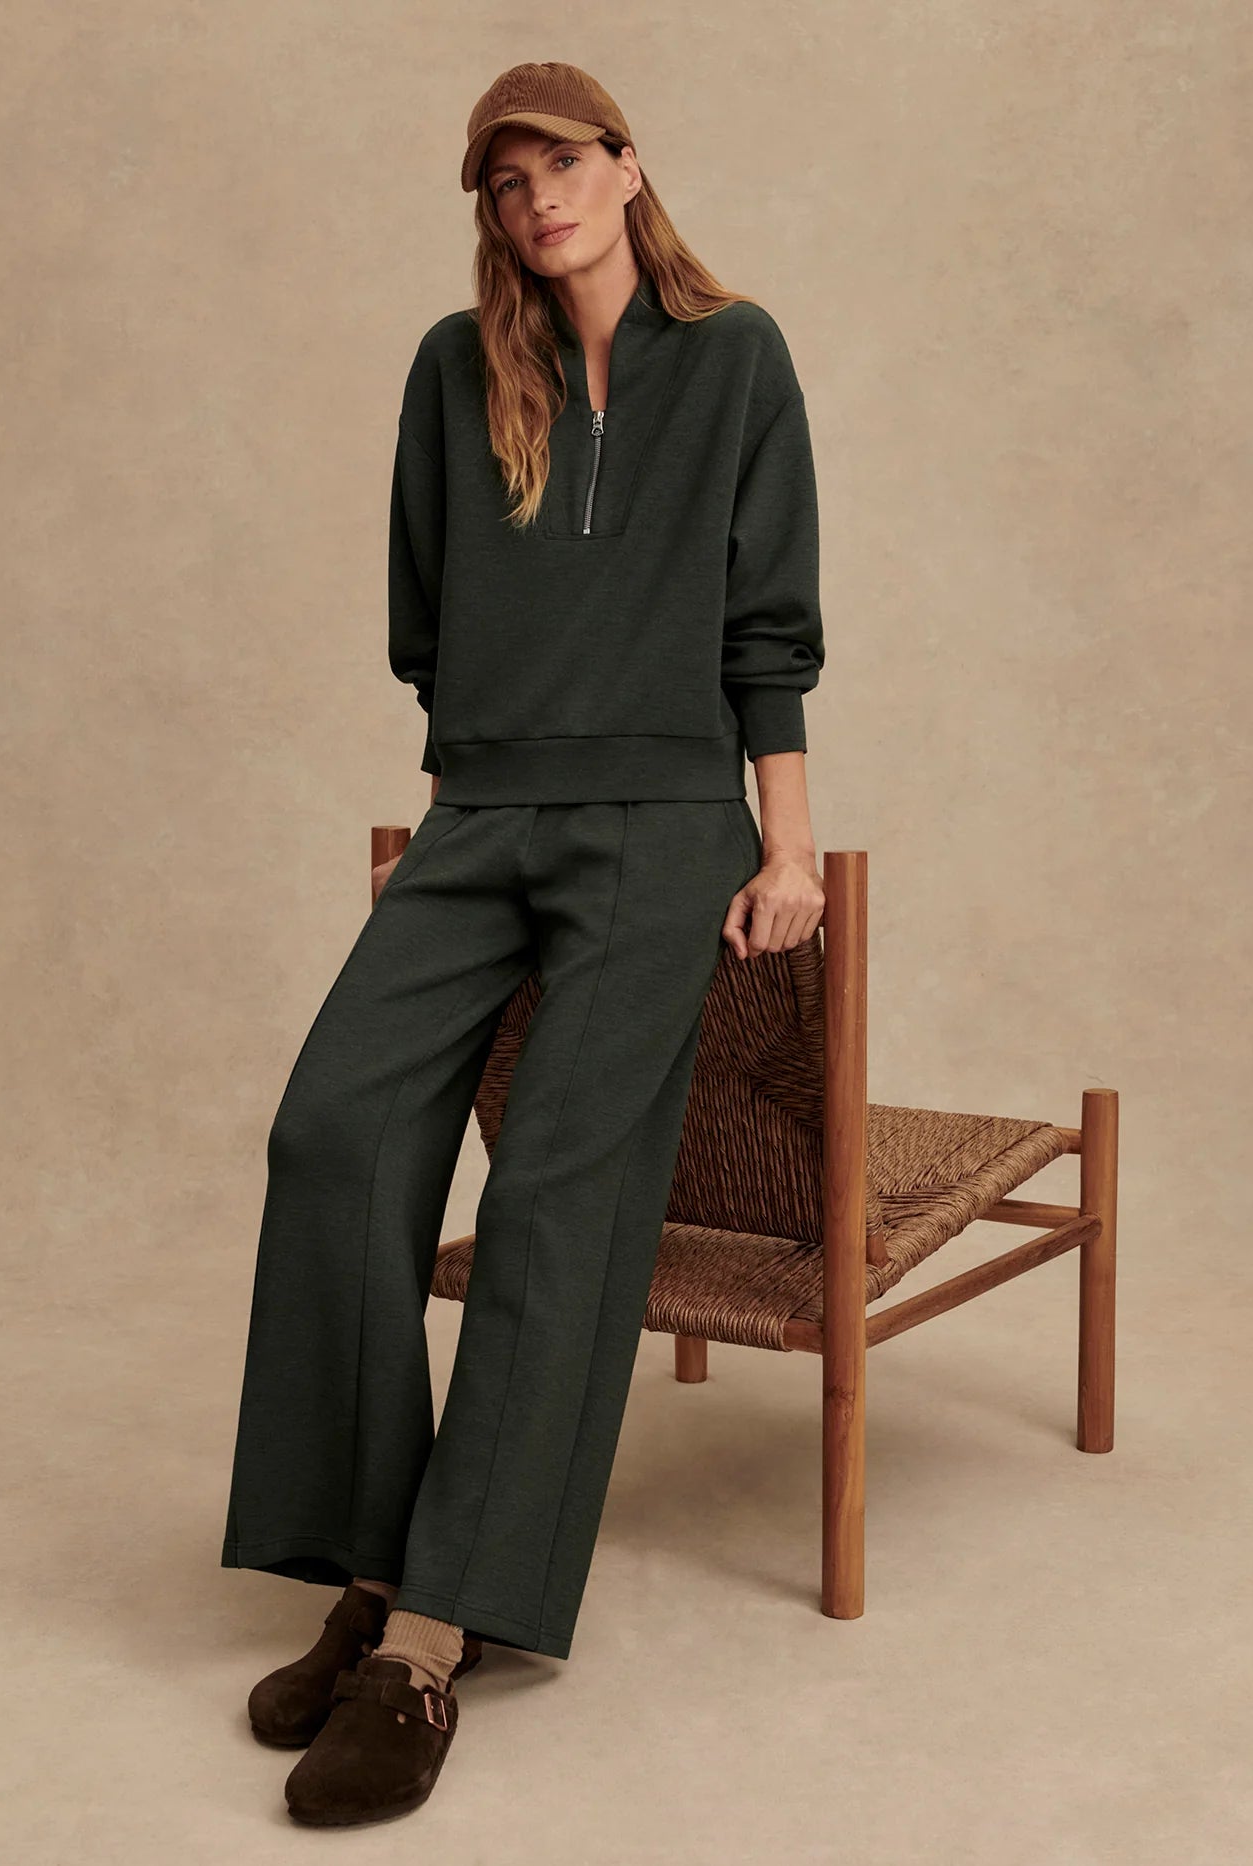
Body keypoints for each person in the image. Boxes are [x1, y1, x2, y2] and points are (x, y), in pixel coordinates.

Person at [220, 60, 827, 1827]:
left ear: (628, 165)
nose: (538, 196)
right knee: (334, 1132)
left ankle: (429, 1636)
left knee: (561, 1190)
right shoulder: (454, 367)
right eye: (505, 180)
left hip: (665, 820)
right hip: (483, 811)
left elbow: (768, 625)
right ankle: (375, 1556)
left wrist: (786, 840)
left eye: (563, 160)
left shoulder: (738, 358)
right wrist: (493, 759)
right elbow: (424, 617)